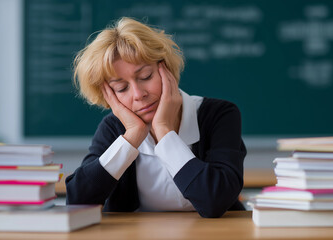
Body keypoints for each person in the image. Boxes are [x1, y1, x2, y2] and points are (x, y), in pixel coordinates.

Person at [65, 17, 247, 218]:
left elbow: (215, 201)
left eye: (145, 77)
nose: (138, 94)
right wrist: (132, 137)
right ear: (110, 96)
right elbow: (76, 201)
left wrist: (164, 131)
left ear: (166, 69)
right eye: (121, 88)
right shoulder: (113, 129)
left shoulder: (219, 114)